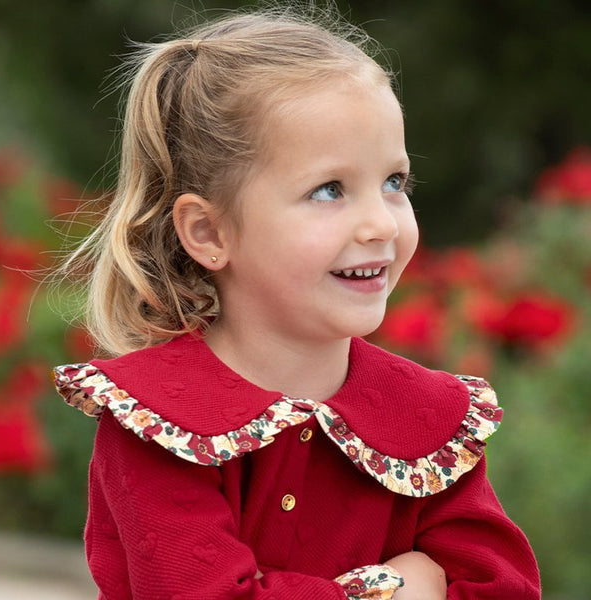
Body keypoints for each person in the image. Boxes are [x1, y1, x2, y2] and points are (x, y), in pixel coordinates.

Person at [53, 7, 541, 599]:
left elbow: (503, 589)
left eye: (395, 182)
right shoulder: (158, 422)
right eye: (329, 190)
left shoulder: (428, 419)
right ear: (209, 234)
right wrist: (389, 588)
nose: (379, 223)